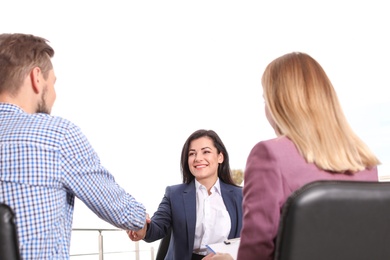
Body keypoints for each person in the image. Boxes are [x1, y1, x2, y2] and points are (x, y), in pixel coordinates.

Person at [204, 52, 380, 260]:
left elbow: (256, 252)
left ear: (279, 103)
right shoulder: (365, 161)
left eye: (265, 100)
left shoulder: (268, 155)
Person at [0, 33, 147, 259]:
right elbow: (122, 211)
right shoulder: (55, 136)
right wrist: (140, 219)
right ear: (36, 78)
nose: (55, 94)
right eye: (53, 83)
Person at [127, 129, 243, 260]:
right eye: (192, 154)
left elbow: (253, 240)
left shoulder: (240, 196)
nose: (198, 158)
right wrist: (142, 228)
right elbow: (157, 227)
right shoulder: (174, 194)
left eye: (206, 151)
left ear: (220, 157)